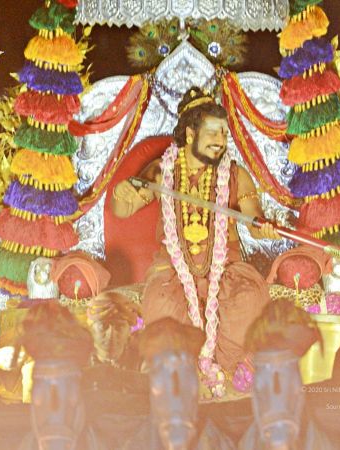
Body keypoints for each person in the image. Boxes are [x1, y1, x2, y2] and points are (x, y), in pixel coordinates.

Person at [110, 87, 279, 395]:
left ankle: (233, 375)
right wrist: (123, 195)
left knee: (249, 299)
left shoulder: (235, 174)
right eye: (213, 132)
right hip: (172, 272)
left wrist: (265, 228)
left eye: (224, 133)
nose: (220, 140)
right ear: (190, 134)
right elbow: (123, 209)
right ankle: (182, 379)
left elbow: (254, 222)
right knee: (161, 305)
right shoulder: (162, 171)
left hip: (226, 269)